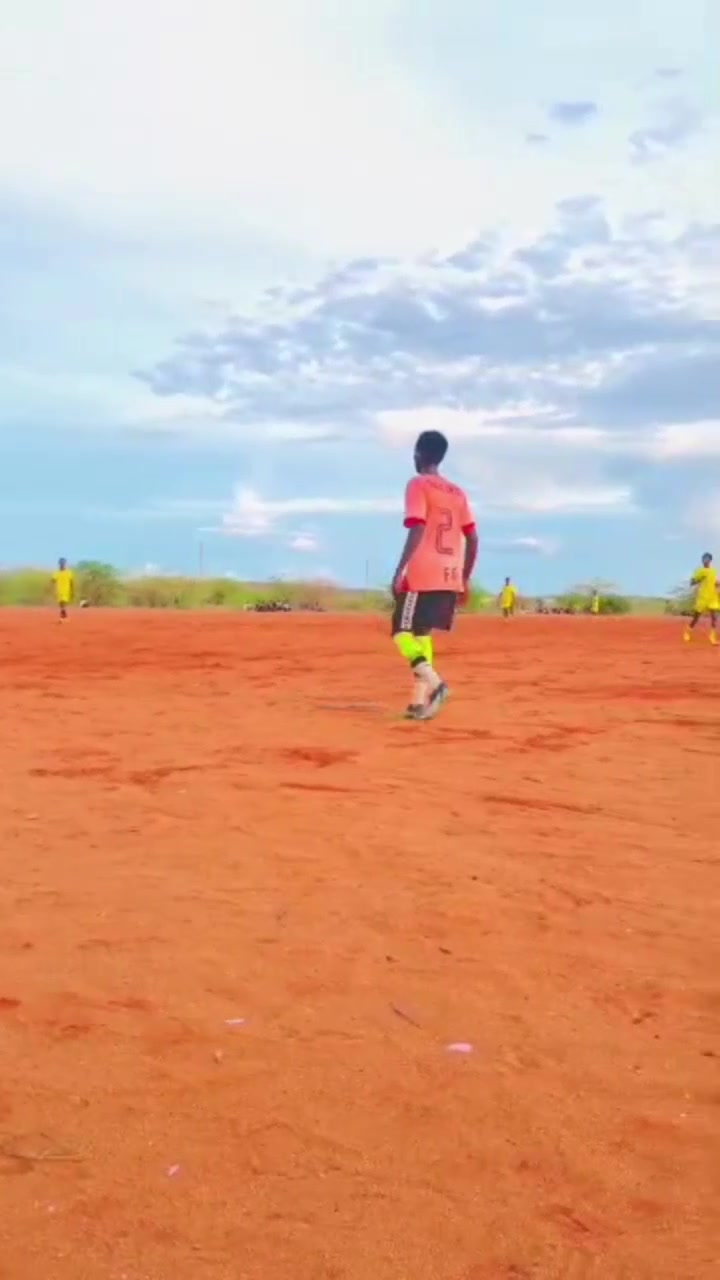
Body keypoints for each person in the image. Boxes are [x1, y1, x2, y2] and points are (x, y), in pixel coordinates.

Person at [391, 430, 478, 720]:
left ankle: (436, 683)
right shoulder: (458, 493)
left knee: (401, 632)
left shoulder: (417, 484)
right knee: (422, 633)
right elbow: (473, 538)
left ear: (418, 454)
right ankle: (417, 702)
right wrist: (464, 578)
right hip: (449, 574)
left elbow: (417, 526)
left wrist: (401, 569)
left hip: (422, 571)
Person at [684, 553, 718, 645]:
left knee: (714, 617)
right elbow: (692, 582)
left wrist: (717, 584)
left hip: (712, 597)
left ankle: (712, 637)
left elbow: (713, 582)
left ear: (710, 560)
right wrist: (699, 579)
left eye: (707, 558)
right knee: (696, 617)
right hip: (703, 597)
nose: (705, 560)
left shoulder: (713, 571)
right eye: (704, 558)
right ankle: (688, 631)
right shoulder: (699, 571)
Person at [52, 557, 74, 621]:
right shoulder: (57, 572)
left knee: (64, 602)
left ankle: (62, 616)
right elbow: (53, 580)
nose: (62, 564)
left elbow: (71, 582)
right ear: (59, 564)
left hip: (66, 590)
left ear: (65, 564)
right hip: (59, 590)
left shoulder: (69, 572)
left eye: (63, 563)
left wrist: (72, 590)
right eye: (61, 563)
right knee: (61, 604)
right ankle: (64, 616)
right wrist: (49, 587)